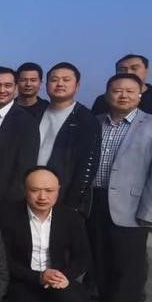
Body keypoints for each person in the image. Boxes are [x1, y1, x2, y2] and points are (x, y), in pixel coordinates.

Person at [87, 74, 152, 302]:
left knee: (127, 267)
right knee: (100, 262)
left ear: (140, 95)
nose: (123, 95)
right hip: (94, 202)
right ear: (107, 95)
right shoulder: (95, 123)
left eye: (129, 91)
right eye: (117, 91)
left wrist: (149, 212)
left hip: (131, 207)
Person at [0, 167, 91, 302]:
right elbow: (2, 259)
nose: (42, 197)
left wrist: (65, 276)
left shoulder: (70, 218)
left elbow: (82, 257)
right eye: (35, 190)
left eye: (49, 190)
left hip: (57, 278)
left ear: (59, 190)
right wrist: (37, 277)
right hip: (23, 278)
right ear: (24, 189)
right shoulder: (7, 215)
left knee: (73, 299)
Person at [92, 53, 152, 184]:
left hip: (143, 180)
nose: (128, 72)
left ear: (146, 71)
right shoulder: (103, 100)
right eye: (122, 69)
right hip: (101, 180)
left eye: (134, 68)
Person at [39, 62, 100, 213]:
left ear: (77, 86)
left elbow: (87, 166)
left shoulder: (85, 119)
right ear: (46, 85)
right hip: (32, 188)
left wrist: (72, 203)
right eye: (54, 80)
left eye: (66, 80)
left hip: (63, 196)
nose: (60, 84)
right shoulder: (37, 112)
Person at [0, 66, 39, 208]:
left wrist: (12, 198)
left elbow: (25, 166)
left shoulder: (26, 121)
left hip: (4, 196)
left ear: (16, 88)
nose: (2, 90)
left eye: (8, 85)